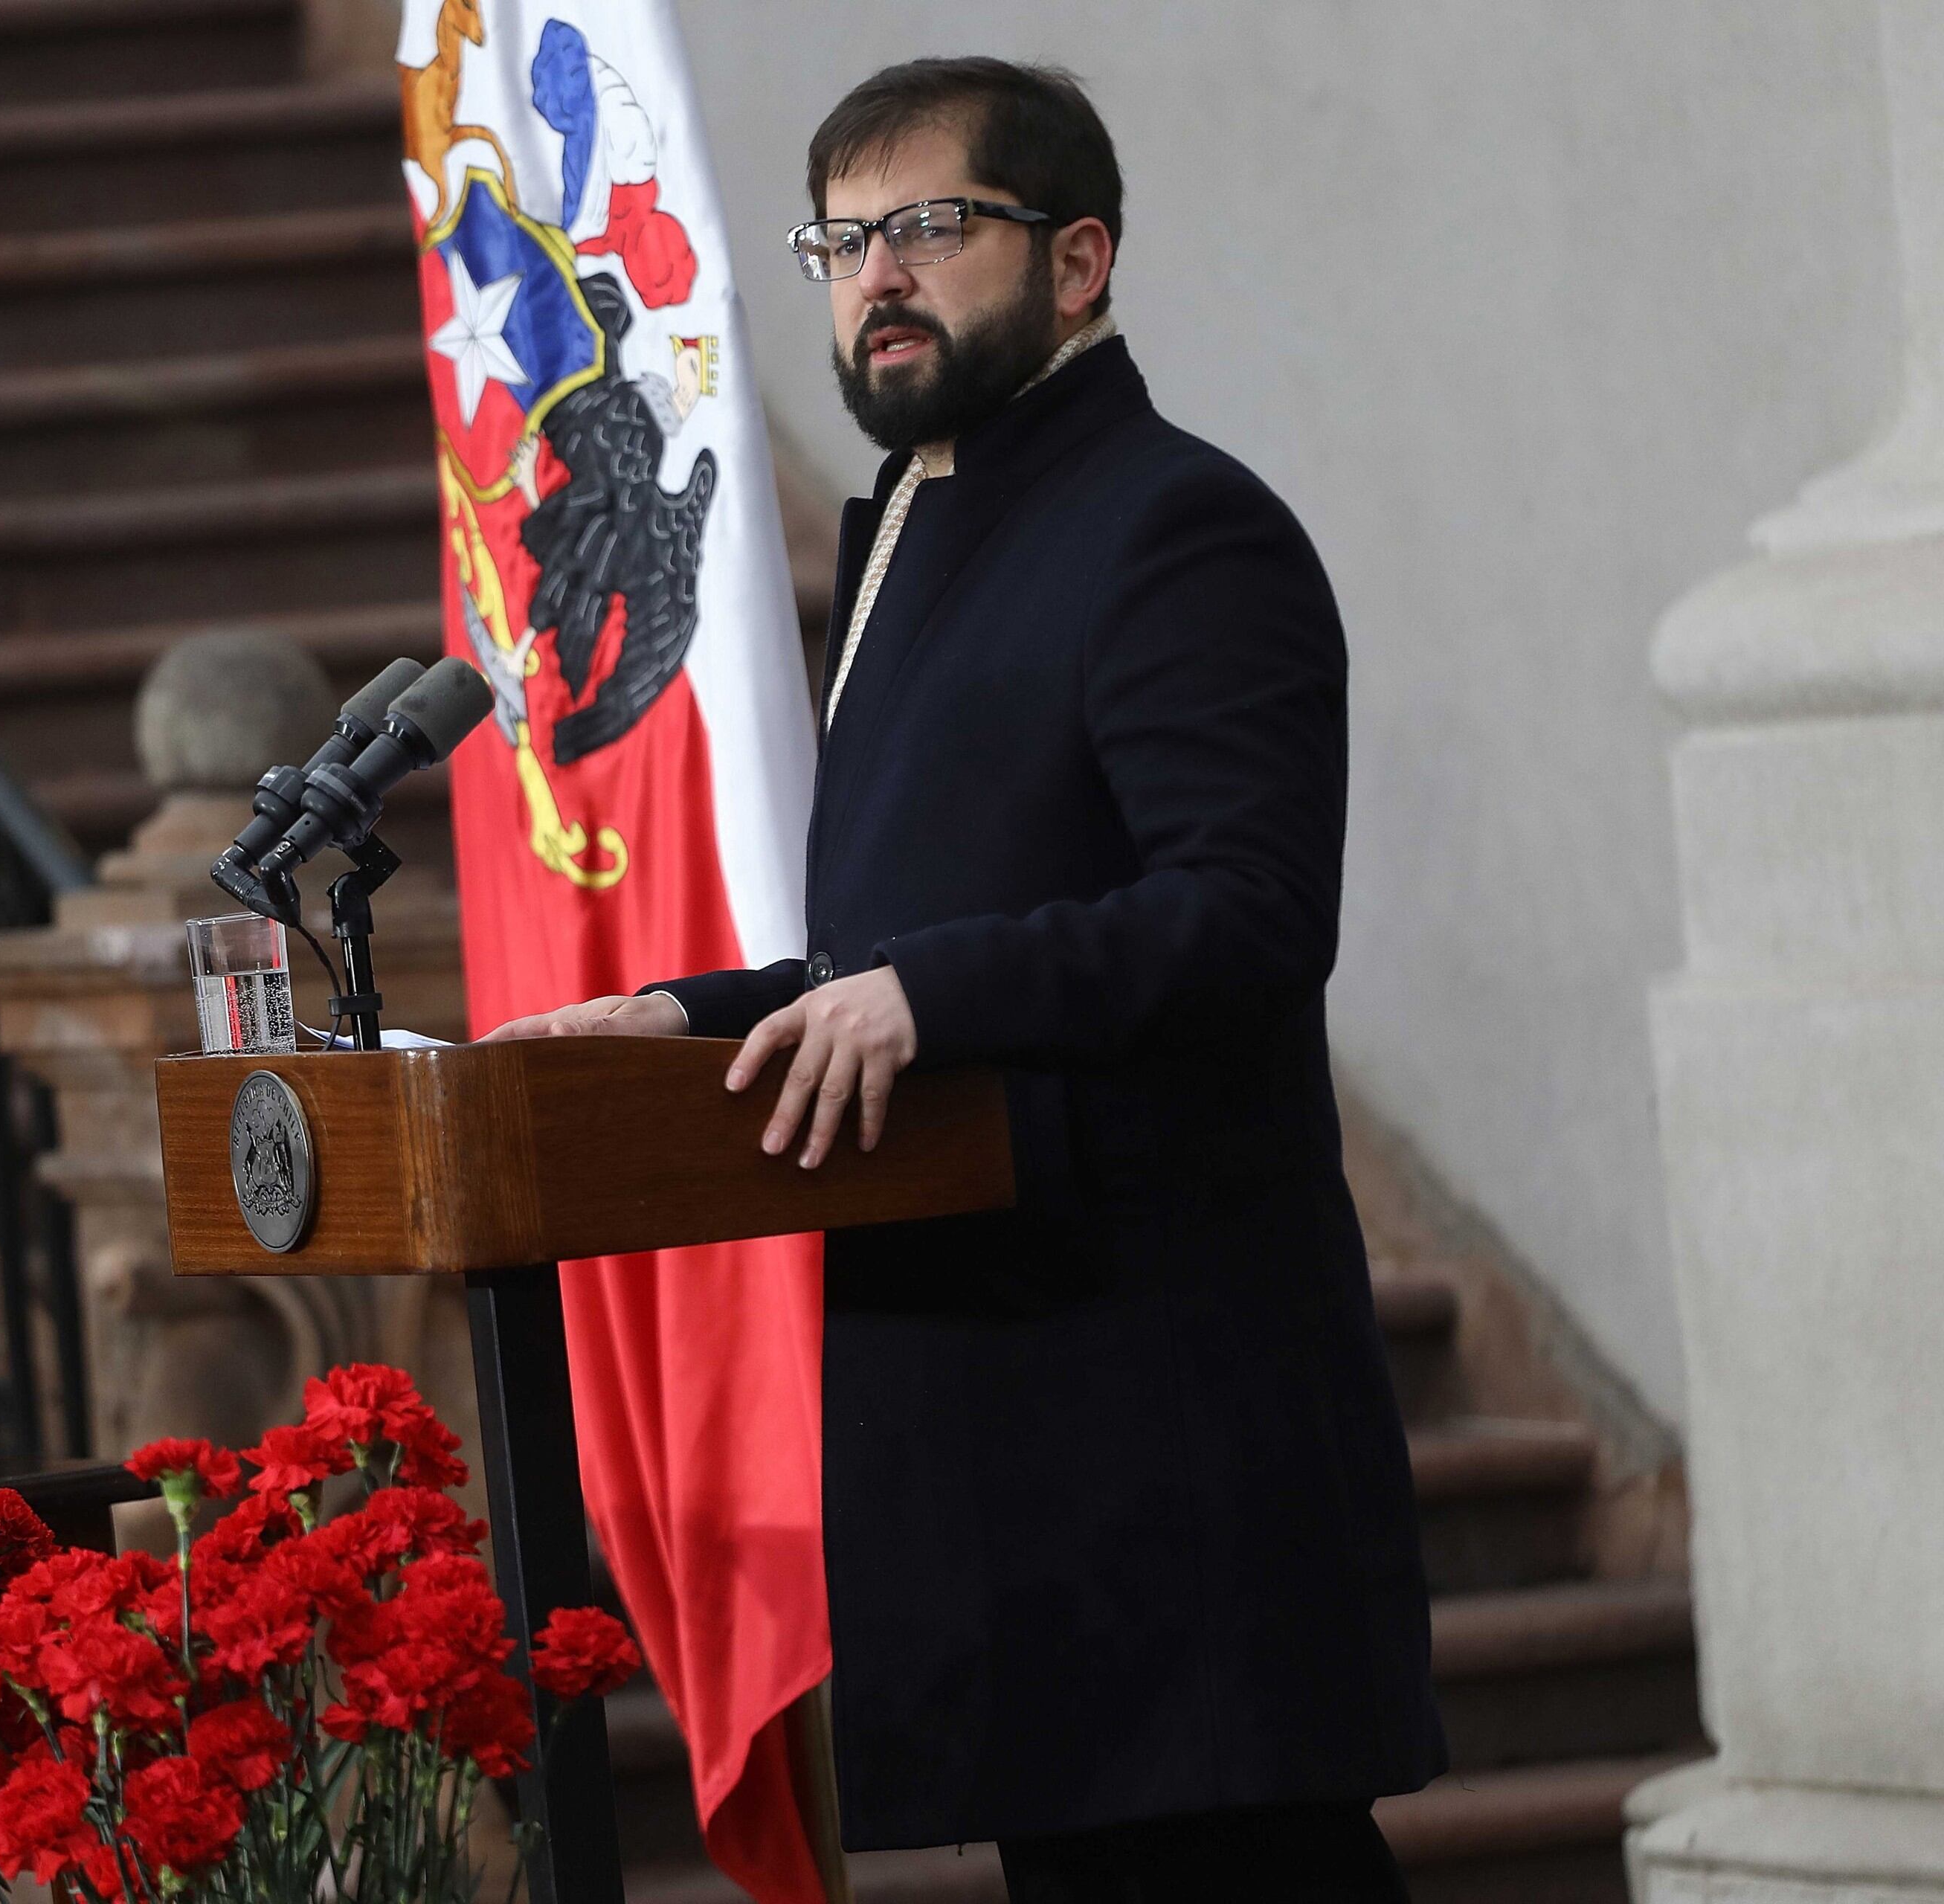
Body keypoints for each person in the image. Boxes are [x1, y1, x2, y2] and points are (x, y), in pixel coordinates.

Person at [483, 56, 1444, 1904]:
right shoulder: (917, 523)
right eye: (843, 241)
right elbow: (932, 922)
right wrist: (697, 1011)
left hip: (1158, 1416)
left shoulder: (1175, 523)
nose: (878, 277)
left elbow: (1245, 913)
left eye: (930, 227)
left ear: (1079, 260)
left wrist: (920, 994)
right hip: (992, 1405)